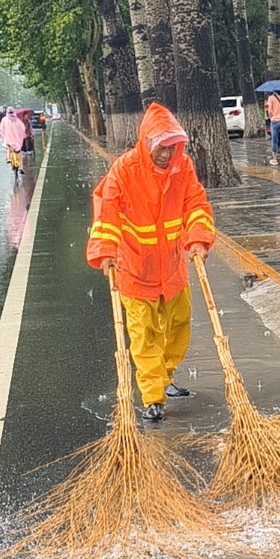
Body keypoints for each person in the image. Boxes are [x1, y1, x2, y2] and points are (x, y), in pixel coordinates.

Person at [85, 103, 216, 422]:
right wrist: (105, 251)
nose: (167, 154)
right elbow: (108, 212)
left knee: (179, 325)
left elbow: (195, 203)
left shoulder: (183, 167)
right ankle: (153, 397)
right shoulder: (124, 170)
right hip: (133, 270)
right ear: (147, 143)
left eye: (173, 147)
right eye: (161, 147)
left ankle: (163, 376)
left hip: (172, 270)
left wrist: (198, 237)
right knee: (144, 336)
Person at [0, 105, 27, 177]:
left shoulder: (4, 119)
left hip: (8, 139)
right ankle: (21, 167)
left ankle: (9, 158)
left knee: (8, 147)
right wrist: (23, 135)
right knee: (19, 154)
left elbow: (1, 129)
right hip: (17, 140)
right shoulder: (17, 120)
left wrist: (2, 135)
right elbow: (22, 128)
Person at [264, 88, 280, 167]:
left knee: (274, 141)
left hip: (274, 121)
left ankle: (274, 159)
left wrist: (271, 117)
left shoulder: (271, 98)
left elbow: (270, 110)